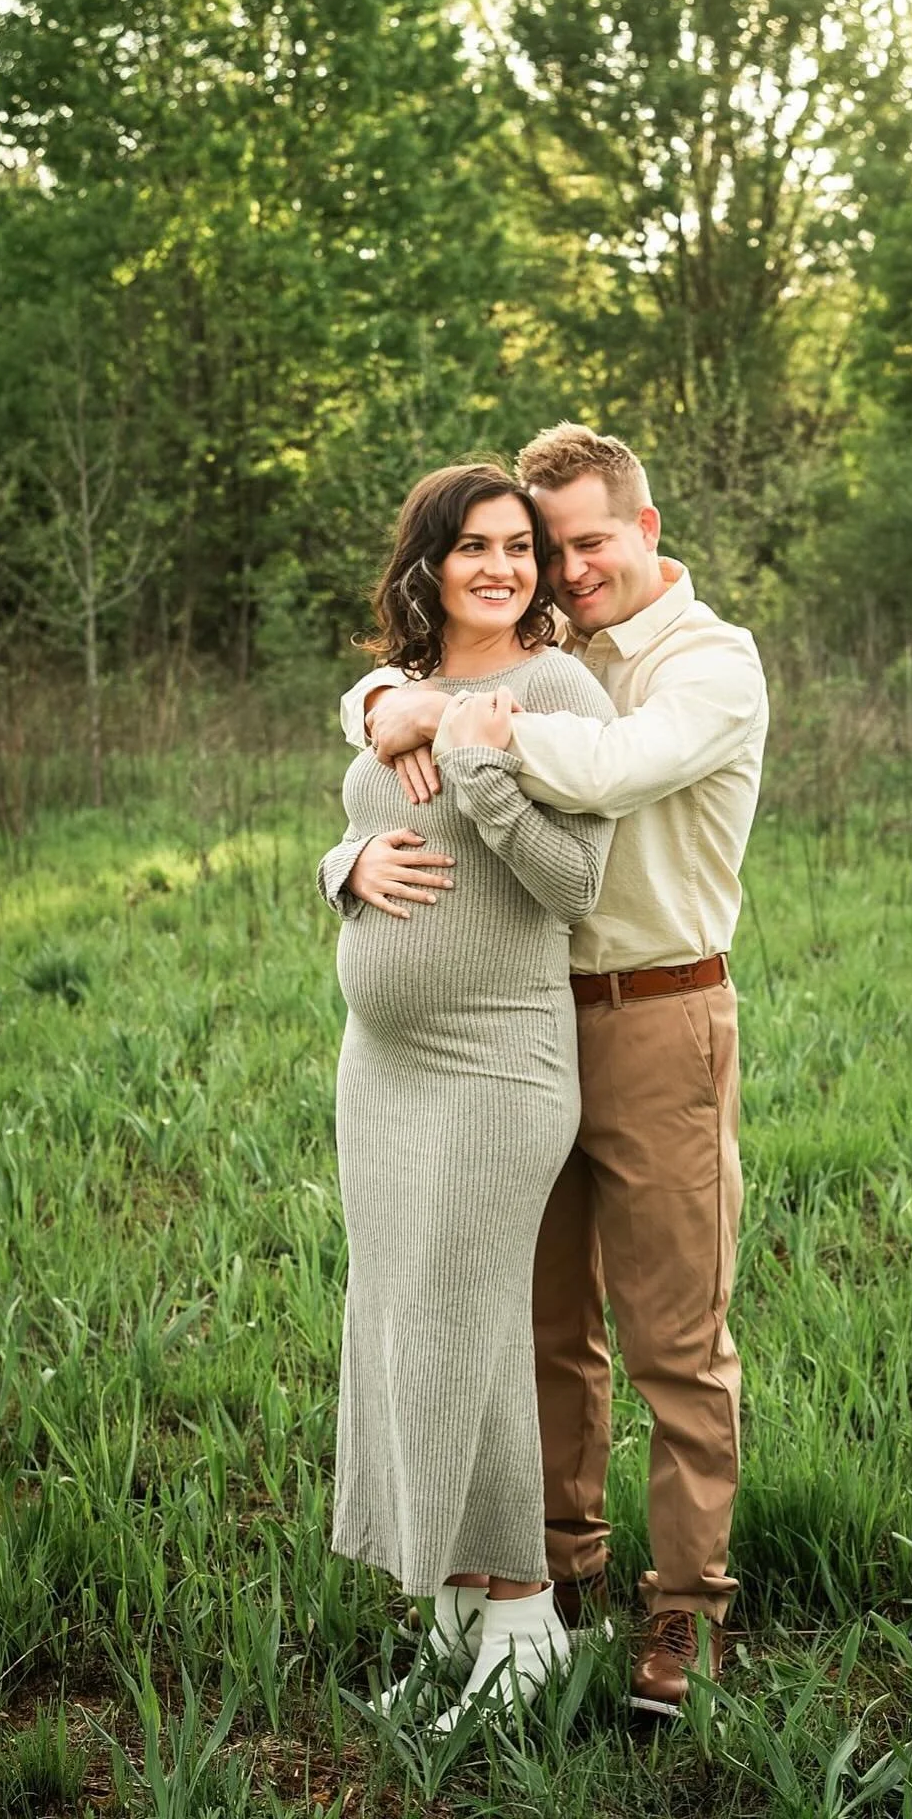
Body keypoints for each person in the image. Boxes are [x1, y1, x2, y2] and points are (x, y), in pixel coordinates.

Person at [340, 423, 768, 1716]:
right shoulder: (549, 657)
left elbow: (611, 773)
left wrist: (455, 724)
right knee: (537, 1330)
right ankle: (548, 1590)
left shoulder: (708, 666)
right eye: (548, 543)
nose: (567, 567)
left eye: (585, 542)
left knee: (673, 1338)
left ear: (646, 530)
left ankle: (683, 1614)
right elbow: (378, 770)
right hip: (515, 1019)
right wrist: (380, 712)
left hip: (653, 1014)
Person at [315, 461, 616, 1732]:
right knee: (398, 1323)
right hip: (380, 1067)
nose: (501, 568)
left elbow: (574, 882)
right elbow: (371, 825)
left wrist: (481, 765)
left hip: (500, 1062)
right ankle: (452, 1618)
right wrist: (343, 863)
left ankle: (525, 1627)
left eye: (520, 550)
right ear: (428, 561)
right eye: (475, 546)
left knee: (469, 1328)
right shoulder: (404, 691)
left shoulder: (554, 688)